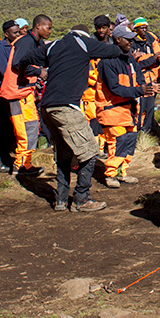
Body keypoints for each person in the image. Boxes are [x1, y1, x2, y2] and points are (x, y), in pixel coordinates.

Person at [24, 22, 124, 212]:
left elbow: (26, 58)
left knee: (63, 153)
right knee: (90, 152)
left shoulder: (53, 45)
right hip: (66, 107)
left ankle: (61, 199)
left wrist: (36, 72)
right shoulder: (83, 43)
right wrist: (123, 47)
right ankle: (82, 198)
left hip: (46, 107)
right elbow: (112, 51)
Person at [96, 24, 160, 188]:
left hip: (128, 110)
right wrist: (140, 90)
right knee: (119, 141)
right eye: (128, 40)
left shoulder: (129, 59)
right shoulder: (107, 61)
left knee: (130, 140)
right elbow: (115, 88)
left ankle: (122, 172)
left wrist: (145, 88)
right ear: (118, 40)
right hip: (112, 110)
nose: (131, 43)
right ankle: (111, 174)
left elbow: (139, 77)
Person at [0, 14, 51, 177]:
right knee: (26, 130)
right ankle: (20, 166)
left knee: (31, 127)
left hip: (24, 92)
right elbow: (17, 64)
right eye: (48, 28)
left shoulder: (34, 42)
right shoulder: (26, 42)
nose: (50, 31)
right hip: (17, 93)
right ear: (38, 26)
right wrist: (38, 71)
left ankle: (25, 164)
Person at [0, 19, 21, 172]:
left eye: (18, 32)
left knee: (11, 126)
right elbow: (4, 71)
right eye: (14, 32)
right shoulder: (0, 49)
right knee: (3, 125)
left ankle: (6, 156)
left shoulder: (15, 47)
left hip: (14, 91)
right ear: (6, 33)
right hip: (5, 92)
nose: (17, 35)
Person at [131, 17, 160, 139]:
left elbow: (149, 62)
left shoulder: (150, 41)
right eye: (141, 27)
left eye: (146, 27)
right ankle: (137, 136)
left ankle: (145, 137)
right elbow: (136, 64)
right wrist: (153, 59)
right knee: (139, 110)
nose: (144, 30)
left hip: (151, 80)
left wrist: (157, 61)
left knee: (149, 110)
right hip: (139, 82)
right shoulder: (131, 43)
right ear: (135, 29)